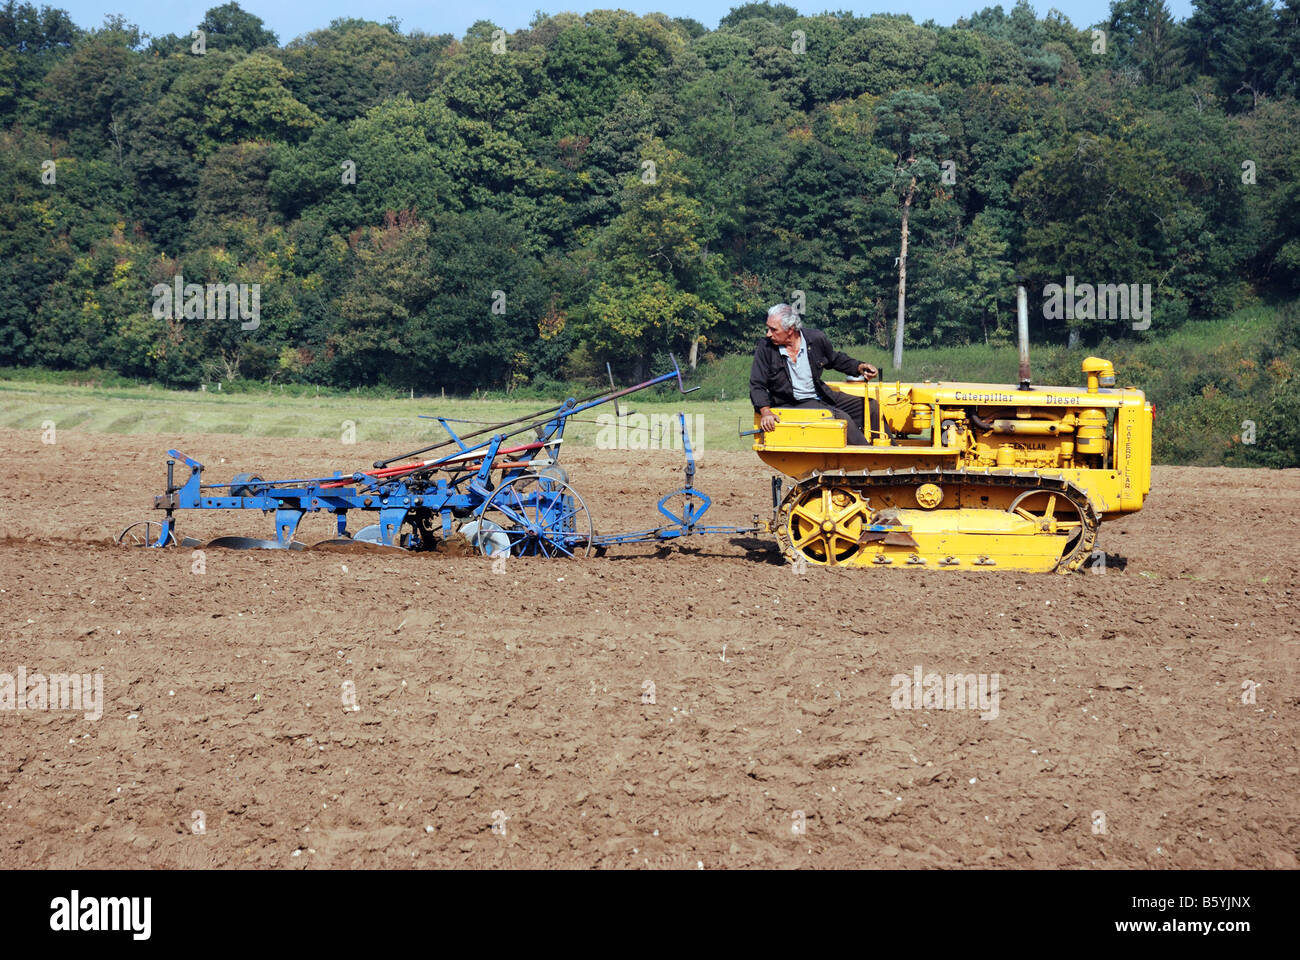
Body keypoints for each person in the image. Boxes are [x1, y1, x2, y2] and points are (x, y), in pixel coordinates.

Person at [750, 304, 883, 445]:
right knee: (839, 417)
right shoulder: (765, 347)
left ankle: (889, 450)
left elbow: (834, 359)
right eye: (768, 328)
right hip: (792, 403)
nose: (768, 334)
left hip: (821, 394)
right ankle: (868, 456)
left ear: (790, 329)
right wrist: (765, 412)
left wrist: (859, 367)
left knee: (870, 406)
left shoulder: (816, 339)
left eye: (773, 329)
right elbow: (757, 384)